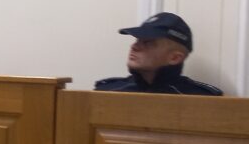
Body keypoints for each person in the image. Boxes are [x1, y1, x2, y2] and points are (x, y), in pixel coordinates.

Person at [95, 12, 223, 95]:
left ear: (174, 58)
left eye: (148, 43)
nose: (134, 46)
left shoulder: (202, 99)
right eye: (138, 40)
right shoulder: (106, 92)